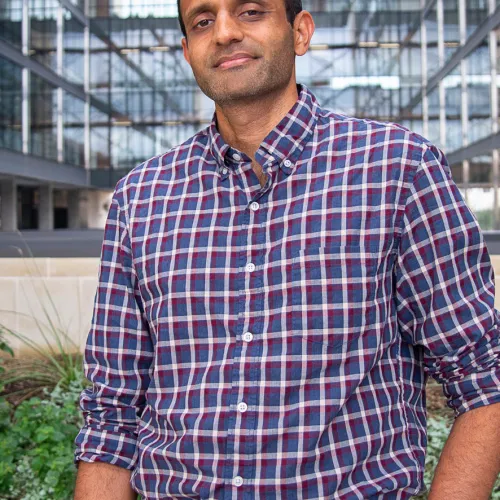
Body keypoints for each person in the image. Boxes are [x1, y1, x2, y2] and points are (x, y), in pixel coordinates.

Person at [73, 0, 500, 498]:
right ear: (187, 51)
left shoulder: (398, 171)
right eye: (204, 21)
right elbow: (112, 414)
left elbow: (483, 377)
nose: (225, 33)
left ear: (300, 32)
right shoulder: (141, 197)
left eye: (250, 11)